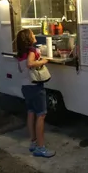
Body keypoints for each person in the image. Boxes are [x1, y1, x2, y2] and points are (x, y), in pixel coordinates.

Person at [16, 29, 56, 158]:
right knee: (41, 115)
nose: (34, 35)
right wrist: (43, 61)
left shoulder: (20, 53)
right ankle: (41, 148)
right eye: (32, 34)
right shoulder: (32, 51)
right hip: (35, 87)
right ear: (28, 38)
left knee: (31, 112)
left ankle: (33, 143)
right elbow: (30, 64)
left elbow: (22, 67)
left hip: (25, 87)